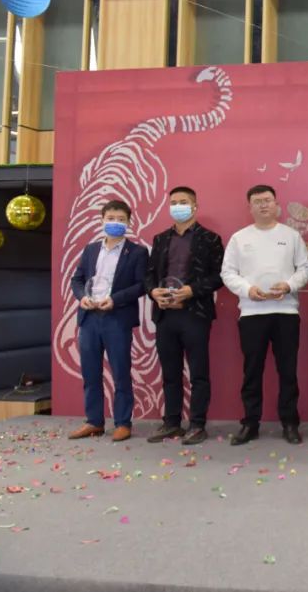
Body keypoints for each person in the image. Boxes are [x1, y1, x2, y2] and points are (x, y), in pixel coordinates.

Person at [220, 185, 308, 446]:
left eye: (268, 200)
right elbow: (228, 273)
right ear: (250, 207)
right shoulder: (240, 238)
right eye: (257, 201)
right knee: (252, 371)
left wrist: (289, 285)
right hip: (252, 313)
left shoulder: (291, 236)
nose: (263, 205)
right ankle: (250, 423)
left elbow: (305, 268)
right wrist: (248, 290)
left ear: (276, 204)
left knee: (288, 371)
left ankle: (290, 423)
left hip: (285, 312)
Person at [144, 186, 224, 446]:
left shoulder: (210, 238)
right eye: (174, 202)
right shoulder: (160, 239)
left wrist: (191, 290)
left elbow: (219, 276)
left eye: (183, 202)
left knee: (198, 373)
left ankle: (197, 424)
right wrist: (153, 292)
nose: (178, 206)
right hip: (165, 314)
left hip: (195, 314)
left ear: (195, 206)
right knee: (170, 372)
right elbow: (149, 274)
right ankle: (172, 423)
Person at [68, 200, 149, 442]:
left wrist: (115, 300)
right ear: (102, 220)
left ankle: (123, 423)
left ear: (129, 222)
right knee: (90, 372)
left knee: (121, 371)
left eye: (121, 219)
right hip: (89, 318)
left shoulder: (137, 252)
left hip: (117, 317)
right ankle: (94, 421)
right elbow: (77, 279)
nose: (115, 223)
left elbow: (142, 285)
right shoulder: (91, 249)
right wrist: (82, 297)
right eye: (110, 218)